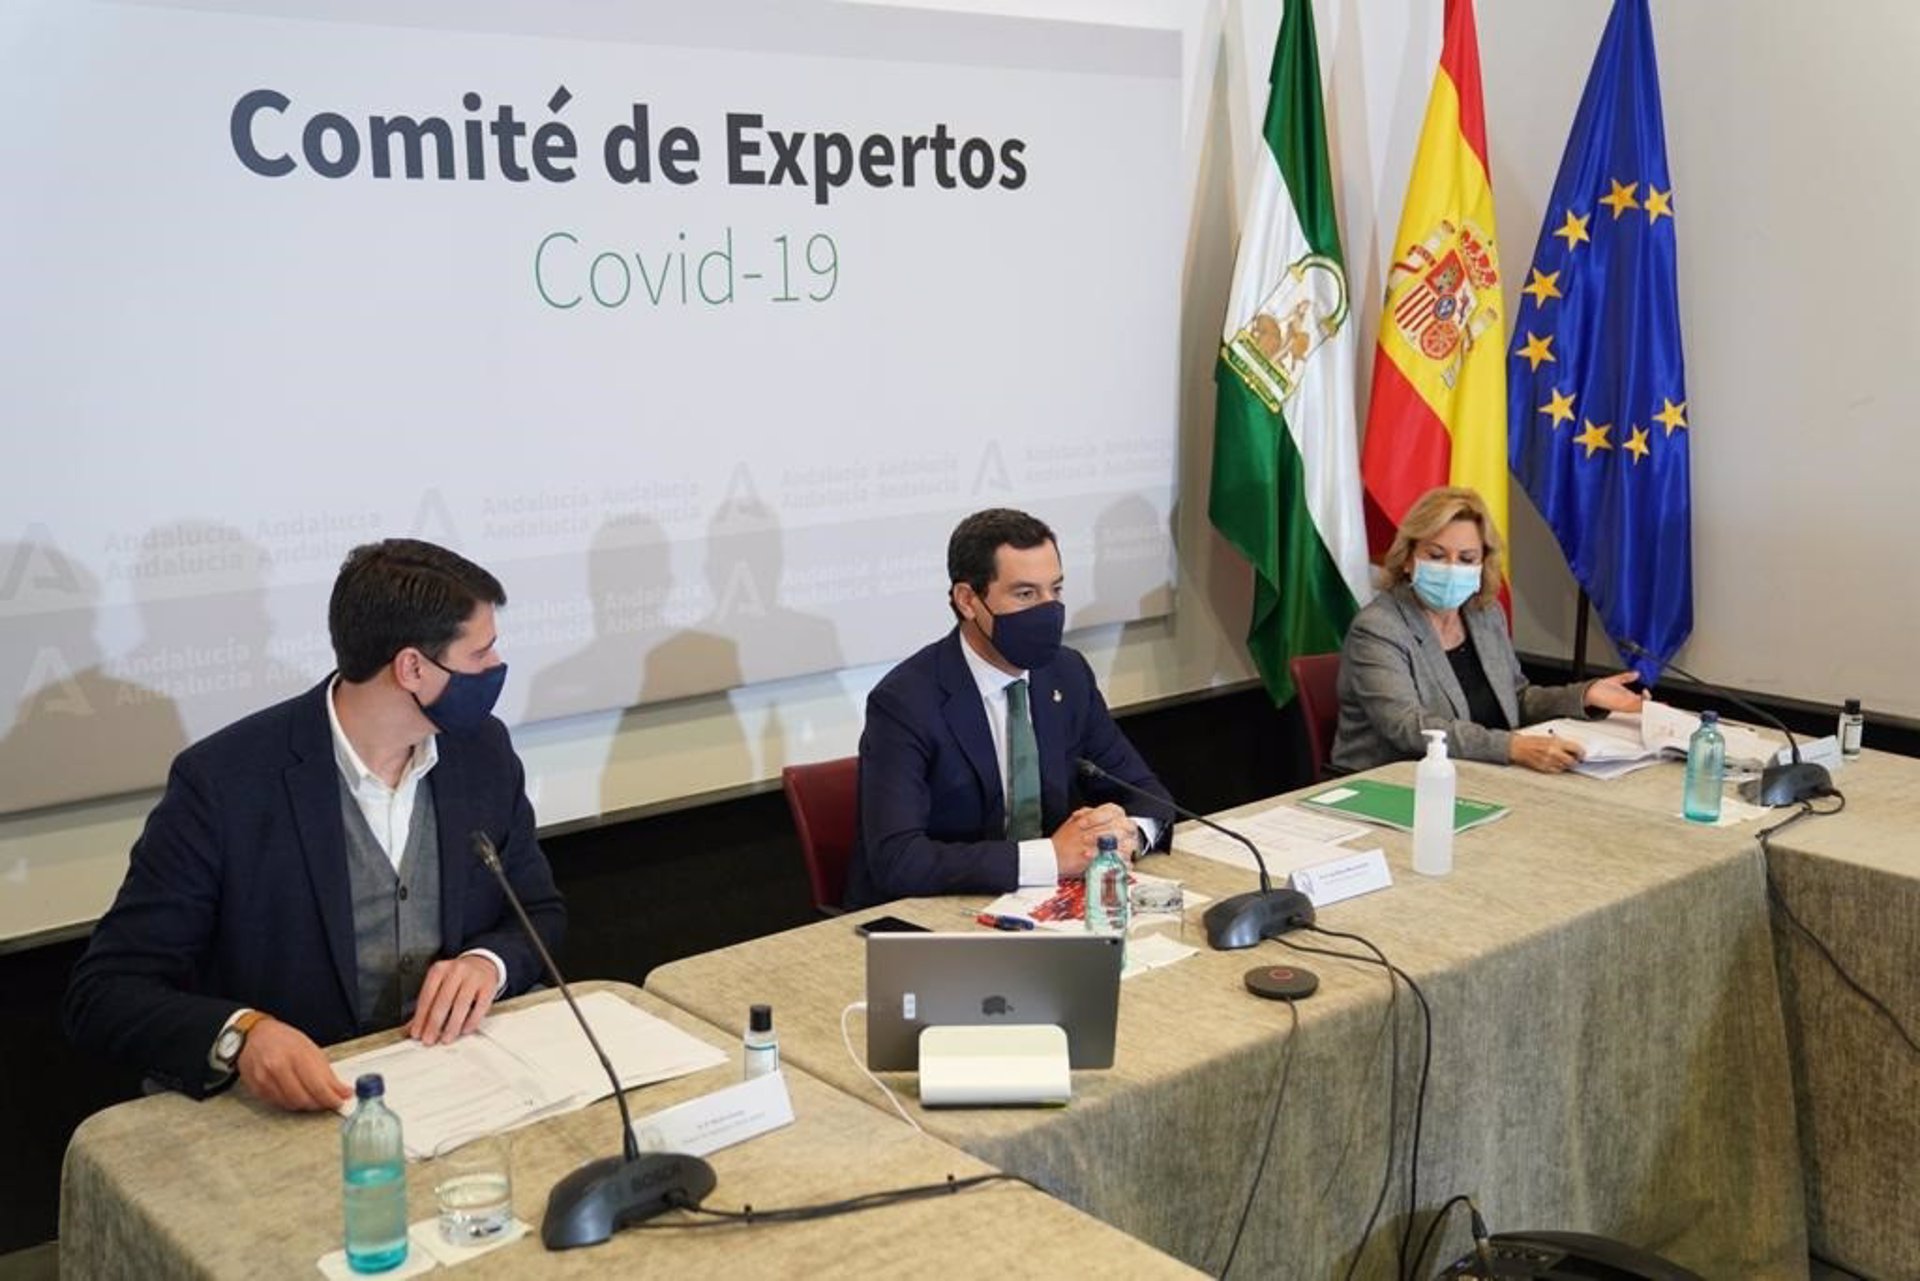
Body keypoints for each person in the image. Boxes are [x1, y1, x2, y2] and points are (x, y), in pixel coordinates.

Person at [64, 539, 566, 1111]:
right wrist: (241, 1035)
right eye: (481, 655)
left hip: (455, 1090)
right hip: (291, 1118)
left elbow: (538, 913)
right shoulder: (224, 783)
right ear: (412, 668)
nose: (496, 668)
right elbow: (104, 992)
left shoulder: (482, 751)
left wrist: (489, 962)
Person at [846, 508, 1174, 908]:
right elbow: (898, 860)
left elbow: (1148, 794)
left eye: (1056, 589)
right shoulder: (906, 701)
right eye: (1026, 594)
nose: (1048, 608)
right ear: (968, 600)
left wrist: (1124, 836)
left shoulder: (1065, 674)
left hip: (1048, 907)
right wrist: (1050, 858)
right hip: (937, 920)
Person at [1331, 486, 1643, 774]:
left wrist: (1585, 695)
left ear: (1483, 565)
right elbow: (1408, 728)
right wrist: (1511, 747)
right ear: (1409, 558)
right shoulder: (1378, 628)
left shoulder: (1484, 615)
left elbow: (1515, 699)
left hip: (1476, 775)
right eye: (1436, 555)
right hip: (1391, 784)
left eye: (1467, 558)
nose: (1452, 568)